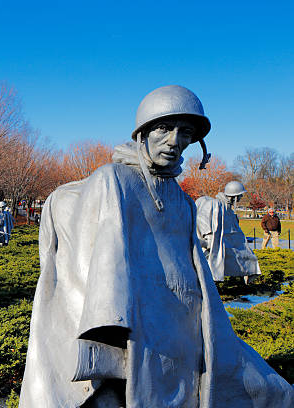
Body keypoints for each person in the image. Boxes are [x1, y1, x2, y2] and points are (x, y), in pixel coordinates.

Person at [19, 85, 293, 407]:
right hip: (137, 333)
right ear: (143, 133)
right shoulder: (114, 180)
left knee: (271, 391)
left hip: (183, 330)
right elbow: (94, 273)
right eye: (164, 128)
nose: (175, 141)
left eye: (186, 132)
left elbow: (196, 274)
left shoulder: (183, 201)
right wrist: (108, 353)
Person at [196, 181, 261, 283]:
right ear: (234, 196)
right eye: (240, 195)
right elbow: (204, 221)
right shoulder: (216, 205)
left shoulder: (228, 210)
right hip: (213, 240)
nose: (241, 197)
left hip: (226, 241)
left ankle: (247, 275)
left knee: (248, 256)